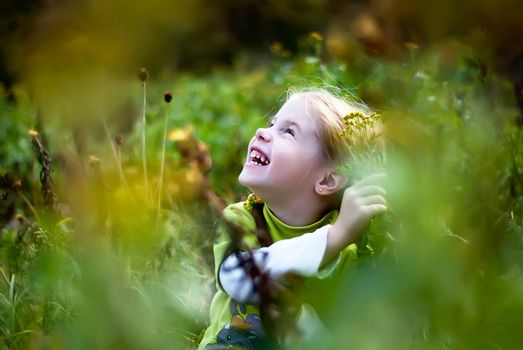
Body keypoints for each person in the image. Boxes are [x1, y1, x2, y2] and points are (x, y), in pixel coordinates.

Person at [199, 88, 387, 349]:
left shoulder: (348, 253)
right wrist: (334, 237)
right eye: (272, 123)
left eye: (288, 131)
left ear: (327, 179)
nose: (262, 132)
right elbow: (236, 277)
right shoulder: (242, 219)